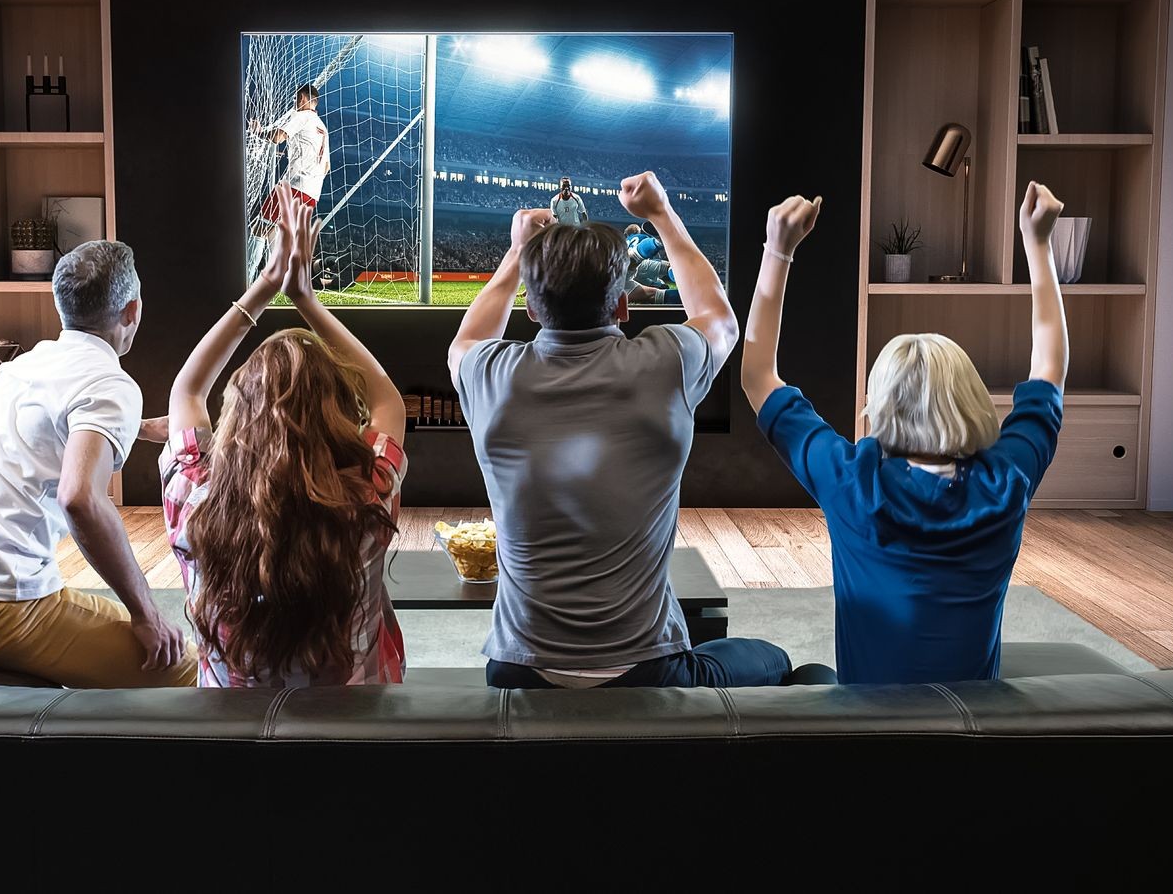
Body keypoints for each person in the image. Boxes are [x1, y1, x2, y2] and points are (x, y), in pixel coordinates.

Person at [449, 170, 803, 689]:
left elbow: (466, 337)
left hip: (517, 672)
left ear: (529, 306)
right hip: (648, 671)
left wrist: (514, 255)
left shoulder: (489, 376)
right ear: (622, 305)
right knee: (775, 659)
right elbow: (719, 318)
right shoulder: (666, 363)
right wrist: (661, 213)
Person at [740, 182, 1069, 685]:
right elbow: (1050, 366)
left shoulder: (852, 480)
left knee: (808, 676)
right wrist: (1038, 246)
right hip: (970, 737)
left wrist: (777, 250)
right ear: (972, 397)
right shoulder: (1006, 483)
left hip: (869, 741)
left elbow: (757, 374)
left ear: (876, 407)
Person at [0, 241, 198, 687]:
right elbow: (80, 500)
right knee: (184, 668)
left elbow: (46, 430)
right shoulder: (110, 383)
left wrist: (141, 427)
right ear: (132, 310)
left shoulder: (23, 367)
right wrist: (146, 613)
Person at [161, 203, 409, 686]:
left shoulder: (193, 499)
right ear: (338, 415)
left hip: (231, 739)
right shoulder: (369, 495)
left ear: (237, 415)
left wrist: (265, 287)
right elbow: (387, 399)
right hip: (354, 734)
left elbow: (186, 391)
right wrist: (305, 298)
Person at [248, 83, 330, 279]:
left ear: (302, 99)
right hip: (312, 193)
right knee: (274, 233)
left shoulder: (302, 115)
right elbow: (326, 167)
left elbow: (277, 137)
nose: (294, 103)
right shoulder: (322, 127)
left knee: (259, 227)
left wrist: (258, 131)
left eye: (295, 100)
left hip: (294, 187)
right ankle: (272, 280)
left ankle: (244, 278)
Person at [624, 221, 679, 306]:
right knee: (668, 267)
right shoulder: (641, 236)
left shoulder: (626, 240)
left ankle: (695, 297)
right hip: (636, 263)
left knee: (653, 295)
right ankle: (657, 242)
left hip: (612, 286)